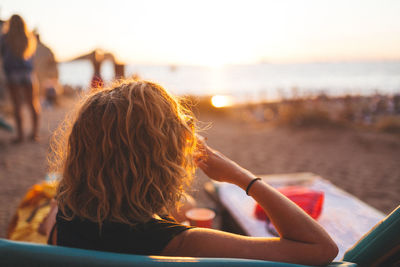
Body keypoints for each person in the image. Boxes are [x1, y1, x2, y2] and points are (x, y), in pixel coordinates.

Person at [48, 80, 338, 266]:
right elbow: (320, 247)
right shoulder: (183, 244)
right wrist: (241, 177)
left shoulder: (66, 212)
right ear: (161, 160)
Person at [1, 14, 40, 143]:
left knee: (17, 106)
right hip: (28, 75)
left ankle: (20, 135)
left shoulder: (5, 38)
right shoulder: (28, 38)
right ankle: (34, 133)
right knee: (32, 104)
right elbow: (32, 58)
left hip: (12, 75)